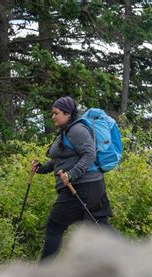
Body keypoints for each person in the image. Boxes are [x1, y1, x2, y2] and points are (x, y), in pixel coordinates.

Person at [31, 96, 114, 261]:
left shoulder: (77, 130)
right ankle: (129, 257)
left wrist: (71, 174)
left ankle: (43, 273)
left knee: (55, 226)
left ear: (68, 113)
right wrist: (41, 168)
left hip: (81, 186)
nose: (53, 116)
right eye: (52, 113)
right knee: (100, 225)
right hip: (92, 186)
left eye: (56, 113)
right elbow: (59, 161)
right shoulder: (66, 131)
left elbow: (90, 154)